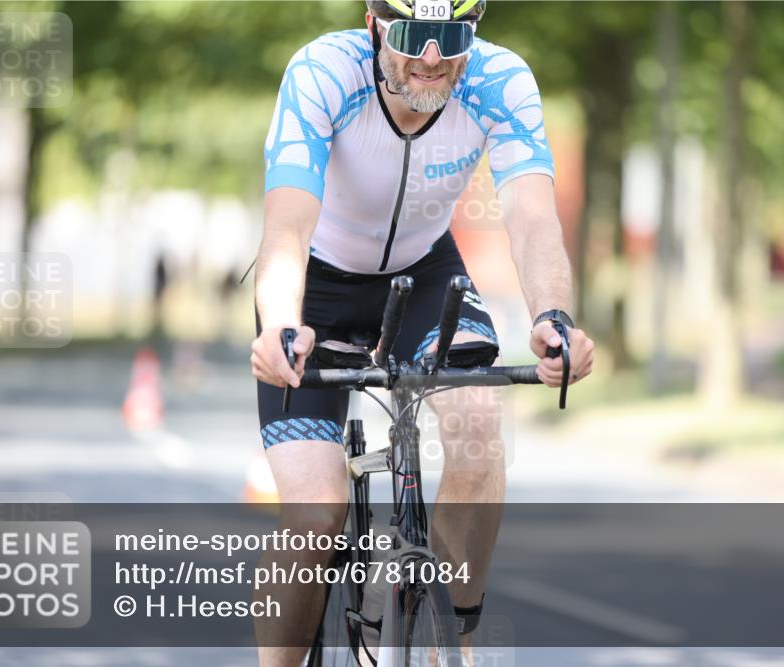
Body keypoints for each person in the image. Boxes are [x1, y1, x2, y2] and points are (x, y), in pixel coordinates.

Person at [249, 1, 594, 664]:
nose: (432, 58)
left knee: (476, 422)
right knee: (315, 515)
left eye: (449, 37)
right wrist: (282, 324)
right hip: (314, 286)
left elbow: (531, 220)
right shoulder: (323, 71)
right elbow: (286, 226)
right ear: (376, 25)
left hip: (423, 272)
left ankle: (450, 639)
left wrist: (553, 319)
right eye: (412, 36)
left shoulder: (501, 79)